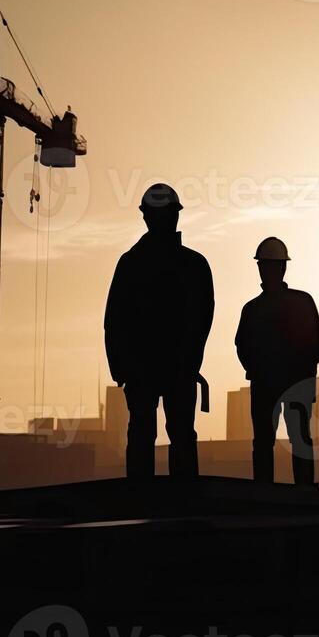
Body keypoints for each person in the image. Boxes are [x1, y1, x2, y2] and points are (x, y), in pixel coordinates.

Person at [103, 183, 214, 481]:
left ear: (145, 216)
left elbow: (114, 320)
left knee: (146, 433)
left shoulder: (132, 264)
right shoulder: (193, 265)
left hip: (148, 369)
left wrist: (122, 368)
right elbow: (202, 317)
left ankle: (143, 498)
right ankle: (182, 499)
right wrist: (189, 361)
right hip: (167, 368)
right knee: (175, 435)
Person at [235, 237, 319, 487]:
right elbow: (317, 347)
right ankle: (303, 491)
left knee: (266, 441)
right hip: (293, 383)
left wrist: (257, 369)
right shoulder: (301, 303)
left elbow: (242, 347)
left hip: (269, 384)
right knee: (296, 440)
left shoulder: (253, 309)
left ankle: (265, 492)